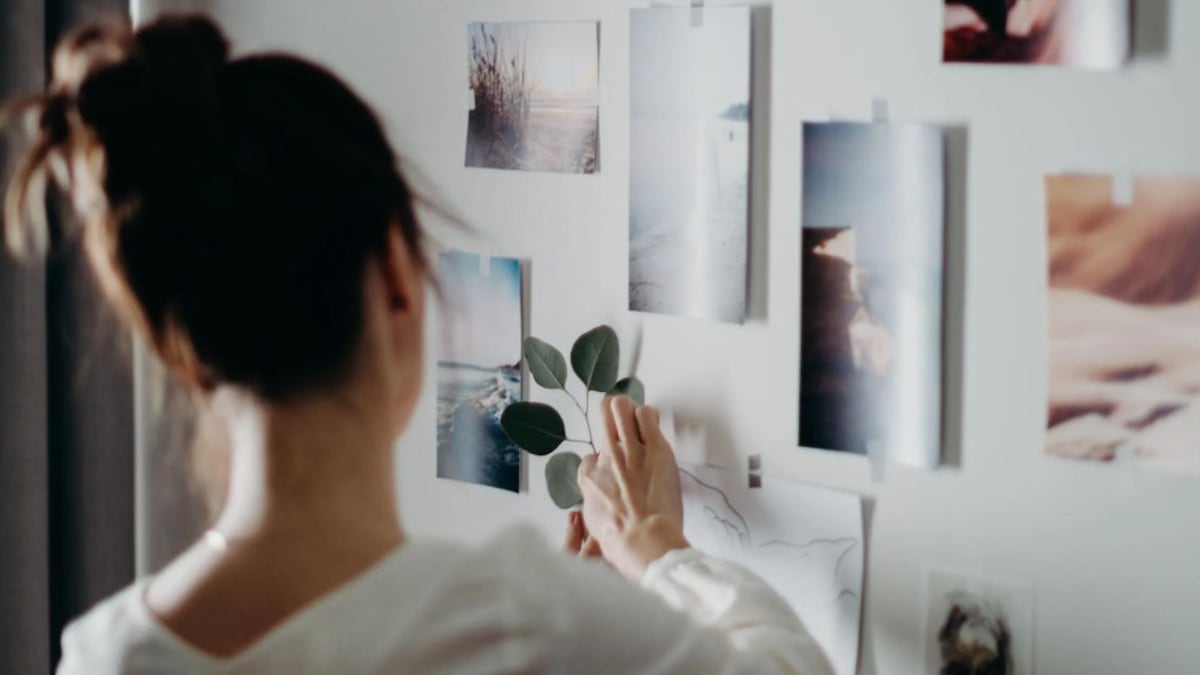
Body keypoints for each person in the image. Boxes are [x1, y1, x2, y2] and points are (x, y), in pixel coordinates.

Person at [4, 14, 834, 674]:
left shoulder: (104, 655)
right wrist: (658, 549)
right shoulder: (522, 622)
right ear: (398, 279)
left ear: (181, 350)